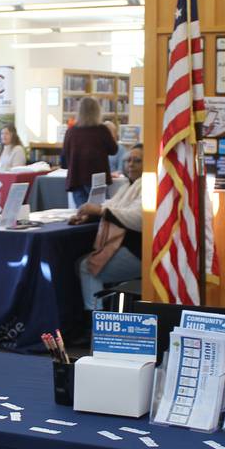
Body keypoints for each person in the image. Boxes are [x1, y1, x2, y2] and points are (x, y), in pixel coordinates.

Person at [70, 145, 144, 310]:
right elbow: (110, 206)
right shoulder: (128, 186)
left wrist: (99, 211)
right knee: (79, 263)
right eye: (128, 160)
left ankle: (96, 320)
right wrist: (90, 214)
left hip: (141, 252)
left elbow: (139, 218)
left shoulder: (147, 186)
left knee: (87, 267)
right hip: (128, 247)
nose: (131, 164)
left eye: (137, 161)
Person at [61, 96, 117, 206]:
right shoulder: (102, 130)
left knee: (82, 214)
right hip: (97, 179)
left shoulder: (71, 132)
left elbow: (64, 158)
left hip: (76, 178)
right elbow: (113, 150)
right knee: (99, 213)